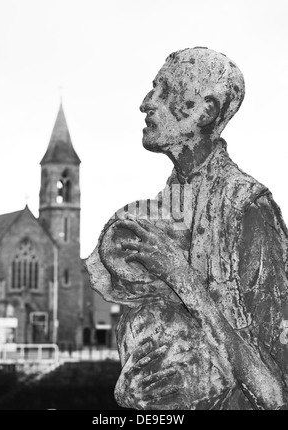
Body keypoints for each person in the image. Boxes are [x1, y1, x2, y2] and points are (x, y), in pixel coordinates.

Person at [86, 47, 288, 410]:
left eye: (164, 91)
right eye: (153, 89)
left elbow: (276, 393)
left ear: (205, 110)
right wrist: (133, 393)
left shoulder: (247, 207)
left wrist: (180, 277)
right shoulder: (164, 208)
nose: (146, 103)